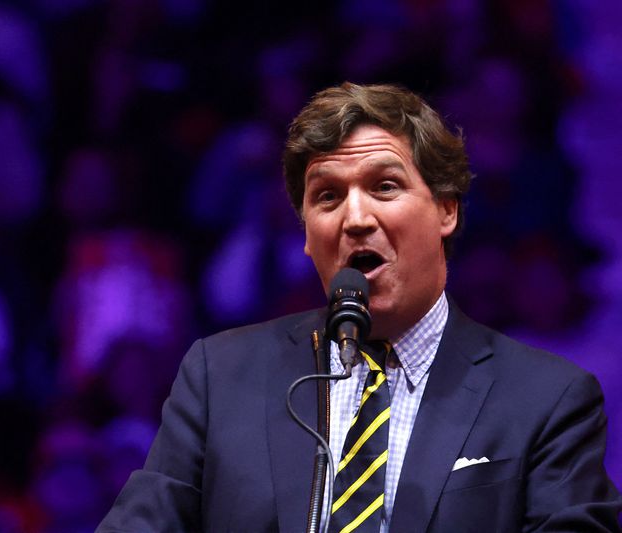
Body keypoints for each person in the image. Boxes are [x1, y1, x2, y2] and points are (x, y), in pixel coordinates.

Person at [98, 83, 622, 532]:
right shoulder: (220, 376)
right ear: (305, 234)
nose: (355, 218)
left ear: (446, 210)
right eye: (326, 197)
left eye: (384, 187)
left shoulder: (546, 400)